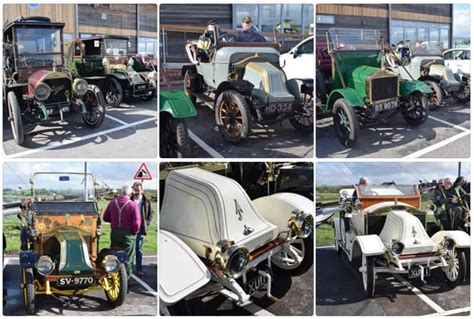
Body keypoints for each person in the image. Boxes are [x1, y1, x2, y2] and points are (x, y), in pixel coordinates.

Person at [103, 185, 141, 279]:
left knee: (115, 256)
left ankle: (114, 278)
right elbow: (136, 222)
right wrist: (135, 232)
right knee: (127, 258)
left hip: (115, 232)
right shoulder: (132, 204)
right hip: (128, 234)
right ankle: (126, 281)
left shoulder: (112, 203)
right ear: (130, 193)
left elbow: (105, 217)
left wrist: (114, 221)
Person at [130, 181, 155, 278]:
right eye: (135, 190)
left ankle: (139, 269)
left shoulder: (146, 201)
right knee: (131, 249)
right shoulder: (130, 200)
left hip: (141, 228)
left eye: (138, 190)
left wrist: (147, 224)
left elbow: (151, 213)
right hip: (131, 228)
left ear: (142, 190)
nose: (137, 192)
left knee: (138, 249)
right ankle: (130, 269)